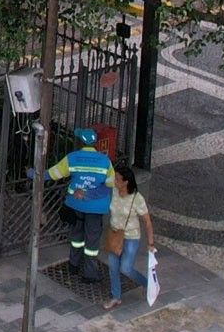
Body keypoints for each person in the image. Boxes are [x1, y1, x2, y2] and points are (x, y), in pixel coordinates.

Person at [45, 127, 115, 282]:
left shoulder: (73, 158)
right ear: (95, 144)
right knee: (92, 240)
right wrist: (91, 193)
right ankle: (90, 273)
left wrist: (37, 175)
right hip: (96, 208)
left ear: (81, 143)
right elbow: (110, 184)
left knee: (76, 236)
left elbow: (55, 173)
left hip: (76, 205)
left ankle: (73, 265)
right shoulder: (105, 161)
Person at [103, 164, 155, 310]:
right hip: (115, 234)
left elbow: (147, 222)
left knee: (125, 268)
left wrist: (150, 243)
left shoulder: (137, 199)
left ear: (125, 182)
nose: (114, 181)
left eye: (117, 179)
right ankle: (116, 296)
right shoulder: (113, 191)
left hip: (131, 237)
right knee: (113, 267)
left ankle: (146, 283)